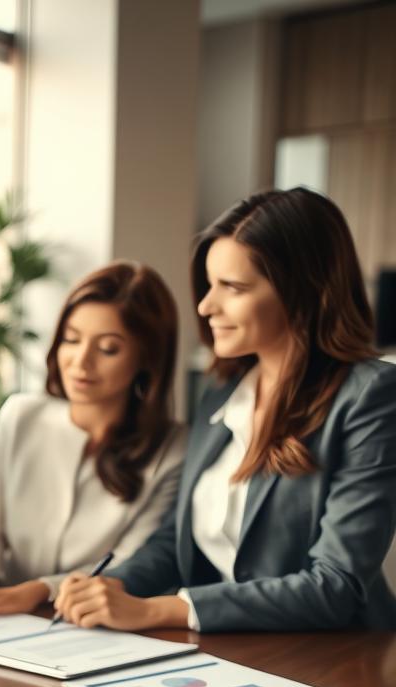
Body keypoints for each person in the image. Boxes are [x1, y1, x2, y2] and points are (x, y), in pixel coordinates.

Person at [55, 187, 396, 632]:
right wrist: (107, 589)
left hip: (336, 659)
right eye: (209, 284)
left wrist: (163, 609)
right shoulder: (222, 391)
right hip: (235, 651)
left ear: (302, 291)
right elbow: (173, 541)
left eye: (232, 287)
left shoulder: (369, 395)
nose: (205, 305)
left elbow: (337, 585)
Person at [0, 262, 187, 618]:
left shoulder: (173, 447)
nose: (80, 362)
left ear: (147, 358)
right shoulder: (21, 415)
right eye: (72, 339)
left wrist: (40, 591)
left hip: (93, 623)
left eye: (109, 348)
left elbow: (132, 562)